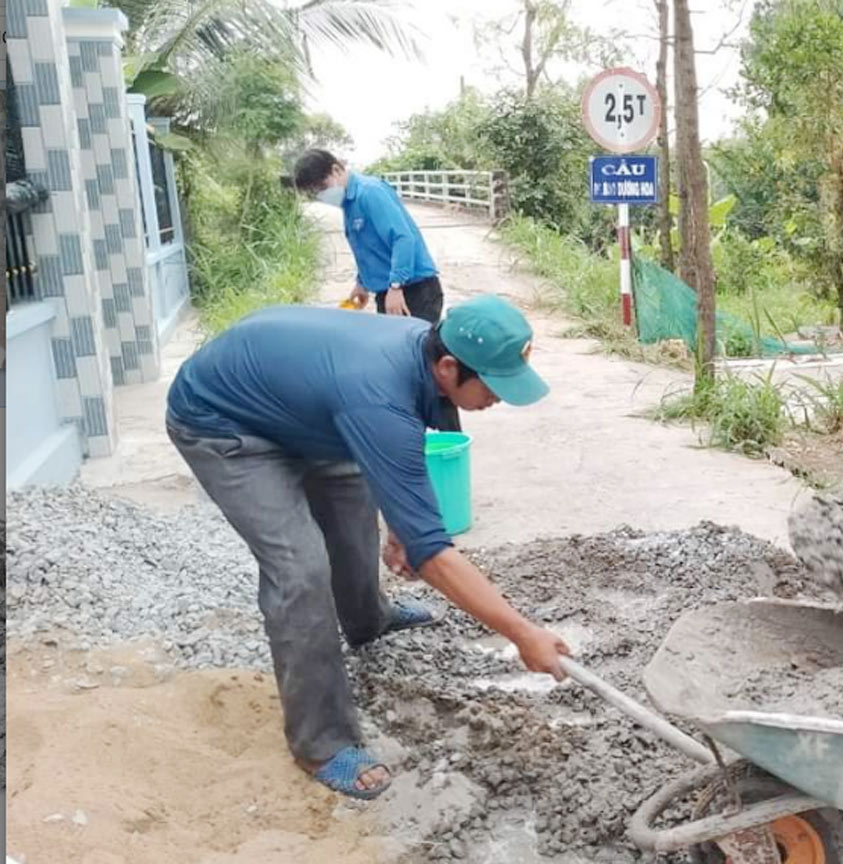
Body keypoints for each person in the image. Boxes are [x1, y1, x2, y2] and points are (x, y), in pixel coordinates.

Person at [166, 294, 570, 800]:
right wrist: (521, 632)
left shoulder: (422, 351)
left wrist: (403, 520)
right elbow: (433, 555)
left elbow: (404, 442)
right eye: (494, 385)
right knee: (301, 569)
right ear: (448, 366)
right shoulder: (377, 391)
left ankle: (366, 618)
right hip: (223, 423)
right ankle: (322, 744)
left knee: (352, 501)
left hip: (301, 409)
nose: (500, 399)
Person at [292, 148, 444, 323]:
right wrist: (362, 283)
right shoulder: (349, 203)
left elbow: (402, 238)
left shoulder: (370, 192)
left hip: (414, 291)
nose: (321, 195)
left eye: (322, 187)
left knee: (414, 348)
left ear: (336, 170)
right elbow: (370, 248)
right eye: (315, 192)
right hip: (388, 291)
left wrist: (396, 287)